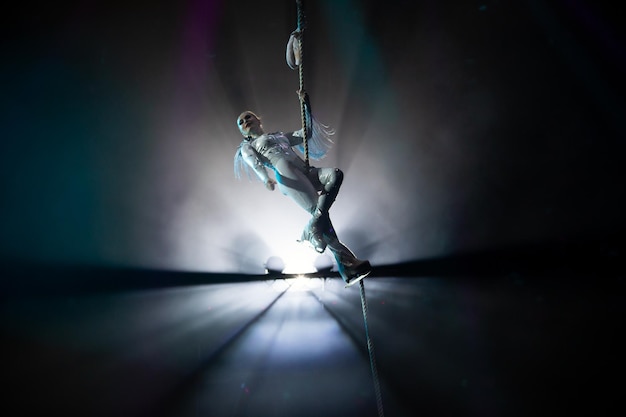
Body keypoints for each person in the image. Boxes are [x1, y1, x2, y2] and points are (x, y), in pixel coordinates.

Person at [233, 92, 371, 286]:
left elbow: (306, 132)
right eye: (241, 122)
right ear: (242, 132)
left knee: (335, 175)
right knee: (319, 212)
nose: (245, 121)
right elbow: (255, 163)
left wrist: (306, 106)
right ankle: (348, 264)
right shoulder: (248, 147)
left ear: (258, 119)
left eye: (248, 116)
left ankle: (311, 230)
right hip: (287, 173)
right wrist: (266, 179)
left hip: (305, 171)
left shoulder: (279, 136)